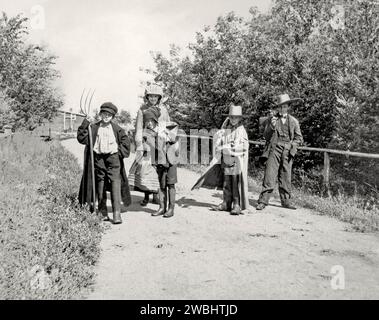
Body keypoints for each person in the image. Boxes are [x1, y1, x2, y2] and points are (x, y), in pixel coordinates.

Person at [77, 102, 131, 224]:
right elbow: (81, 138)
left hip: (113, 158)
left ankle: (117, 213)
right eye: (104, 113)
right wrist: (86, 123)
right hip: (98, 159)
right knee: (100, 183)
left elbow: (126, 143)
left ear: (113, 116)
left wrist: (119, 153)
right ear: (100, 114)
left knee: (115, 183)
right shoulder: (94, 127)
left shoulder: (117, 129)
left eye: (109, 114)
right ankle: (102, 212)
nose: (106, 116)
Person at [192, 105, 249, 215]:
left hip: (236, 161)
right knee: (226, 182)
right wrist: (221, 143)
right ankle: (226, 203)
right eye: (231, 117)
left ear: (239, 119)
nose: (233, 120)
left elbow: (243, 146)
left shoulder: (241, 131)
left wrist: (230, 148)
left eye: (235, 118)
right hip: (226, 160)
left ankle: (237, 204)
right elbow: (219, 141)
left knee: (235, 182)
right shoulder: (226, 130)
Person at [256, 93, 303, 210]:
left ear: (288, 107)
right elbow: (266, 137)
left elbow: (299, 138)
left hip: (287, 150)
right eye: (280, 107)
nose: (283, 109)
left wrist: (292, 147)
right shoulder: (272, 120)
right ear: (278, 108)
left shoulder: (294, 122)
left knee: (286, 176)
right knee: (269, 175)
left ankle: (286, 202)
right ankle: (263, 201)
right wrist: (271, 127)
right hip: (274, 149)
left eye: (285, 106)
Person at [129, 83, 170, 206]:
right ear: (147, 97)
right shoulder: (142, 110)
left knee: (159, 169)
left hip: (161, 143)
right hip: (147, 142)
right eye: (150, 96)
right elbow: (139, 128)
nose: (153, 98)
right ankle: (146, 195)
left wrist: (167, 139)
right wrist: (139, 144)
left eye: (155, 96)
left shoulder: (163, 110)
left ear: (159, 97)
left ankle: (157, 195)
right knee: (145, 169)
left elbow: (168, 125)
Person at [142, 107, 179, 218]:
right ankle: (162, 208)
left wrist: (166, 134)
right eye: (147, 121)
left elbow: (174, 134)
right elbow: (151, 147)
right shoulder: (147, 133)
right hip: (159, 161)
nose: (149, 123)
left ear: (155, 120)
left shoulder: (165, 127)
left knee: (170, 184)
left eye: (151, 121)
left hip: (171, 160)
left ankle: (171, 209)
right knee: (162, 185)